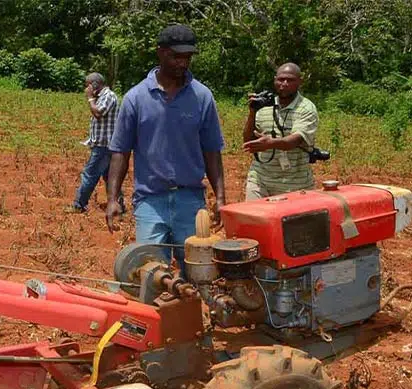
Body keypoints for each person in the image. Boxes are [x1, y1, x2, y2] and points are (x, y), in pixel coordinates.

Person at [106, 24, 226, 275]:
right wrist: (112, 199)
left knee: (198, 273)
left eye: (187, 57)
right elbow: (120, 151)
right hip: (150, 200)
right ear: (160, 53)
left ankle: (192, 315)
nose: (182, 63)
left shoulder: (202, 97)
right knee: (151, 274)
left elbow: (212, 150)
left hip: (190, 199)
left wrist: (220, 198)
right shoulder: (136, 97)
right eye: (176, 56)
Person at [242, 62, 319, 200]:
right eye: (280, 79)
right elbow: (247, 140)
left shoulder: (306, 108)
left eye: (290, 80)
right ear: (274, 80)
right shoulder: (264, 106)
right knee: (254, 219)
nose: (284, 83)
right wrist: (252, 112)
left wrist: (271, 143)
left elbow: (294, 141)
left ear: (300, 82)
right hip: (260, 181)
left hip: (296, 185)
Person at [65, 72, 125, 214]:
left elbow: (98, 113)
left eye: (88, 86)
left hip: (104, 146)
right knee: (110, 177)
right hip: (105, 145)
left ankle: (79, 205)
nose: (86, 89)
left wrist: (90, 98)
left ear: (95, 85)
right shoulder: (103, 96)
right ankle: (119, 205)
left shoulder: (108, 96)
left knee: (89, 174)